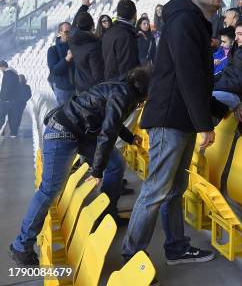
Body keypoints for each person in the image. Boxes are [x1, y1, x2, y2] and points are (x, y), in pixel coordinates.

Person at [122, 0, 229, 265]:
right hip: (170, 119)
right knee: (157, 188)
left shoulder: (193, 22)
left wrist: (220, 110)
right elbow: (188, 76)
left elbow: (196, 78)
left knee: (174, 188)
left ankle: (176, 247)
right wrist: (205, 123)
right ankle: (132, 256)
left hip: (179, 118)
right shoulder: (184, 22)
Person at [9, 67, 149, 266]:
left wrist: (130, 137)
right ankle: (21, 245)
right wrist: (97, 170)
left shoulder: (120, 89)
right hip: (63, 132)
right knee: (49, 189)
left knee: (116, 163)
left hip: (78, 132)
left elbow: (112, 121)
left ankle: (107, 213)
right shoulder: (124, 94)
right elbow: (108, 132)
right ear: (144, 89)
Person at [102, 0, 139, 81]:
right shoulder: (126, 36)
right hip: (122, 87)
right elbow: (128, 69)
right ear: (135, 14)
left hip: (110, 83)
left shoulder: (109, 32)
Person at [70, 9, 105, 94]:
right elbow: (97, 75)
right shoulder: (93, 47)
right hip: (92, 90)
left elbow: (73, 26)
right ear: (93, 25)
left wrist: (84, 6)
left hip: (79, 85)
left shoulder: (72, 41)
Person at [47, 22, 75, 105]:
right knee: (65, 115)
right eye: (66, 32)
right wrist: (67, 59)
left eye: (71, 32)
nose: (69, 34)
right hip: (63, 89)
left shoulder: (76, 46)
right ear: (59, 32)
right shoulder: (52, 50)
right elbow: (55, 70)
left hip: (78, 87)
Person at [0, 60, 20, 137]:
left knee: (1, 115)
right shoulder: (12, 73)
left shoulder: (9, 74)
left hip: (7, 100)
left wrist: (3, 98)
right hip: (12, 99)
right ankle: (13, 133)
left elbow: (7, 88)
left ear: (3, 66)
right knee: (12, 116)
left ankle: (13, 133)